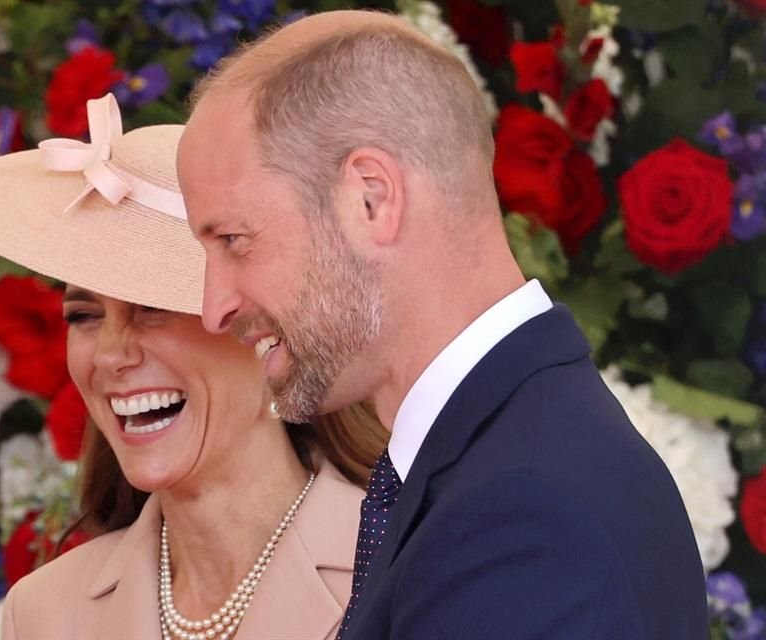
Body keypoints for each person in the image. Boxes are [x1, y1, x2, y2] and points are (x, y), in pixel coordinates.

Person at [177, 10, 709, 640]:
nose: (214, 309)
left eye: (235, 240)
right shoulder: (502, 461)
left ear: (370, 199)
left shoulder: (524, 512)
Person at [0, 94, 387, 640]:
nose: (110, 353)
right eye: (84, 315)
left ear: (269, 337)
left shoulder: (405, 569)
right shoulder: (43, 613)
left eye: (152, 308)